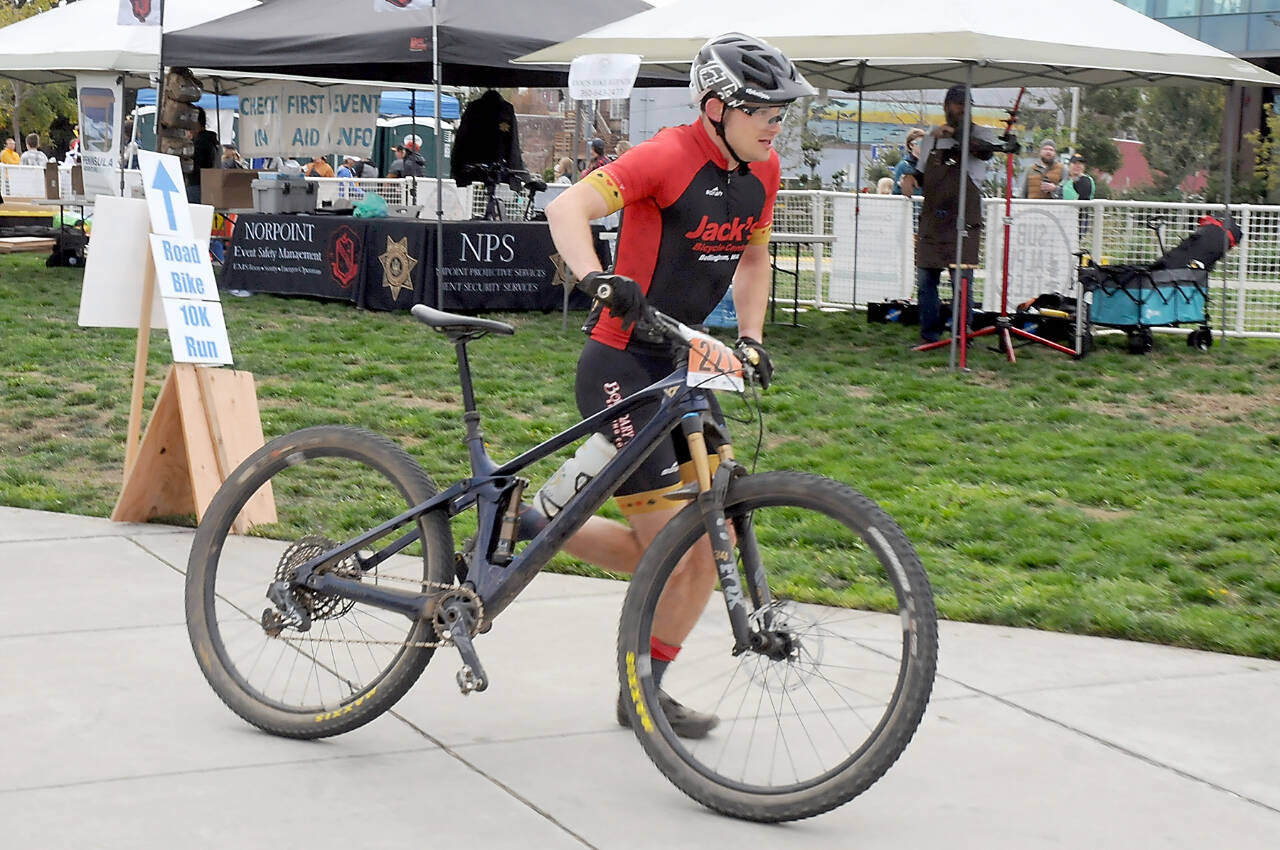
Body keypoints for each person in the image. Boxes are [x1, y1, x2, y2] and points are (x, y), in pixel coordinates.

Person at [544, 32, 814, 738]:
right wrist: (595, 280)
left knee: (708, 539)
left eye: (782, 114)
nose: (776, 126)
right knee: (672, 547)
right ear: (719, 106)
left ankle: (642, 691)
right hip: (622, 365)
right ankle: (535, 523)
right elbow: (565, 209)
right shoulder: (667, 155)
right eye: (767, 112)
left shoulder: (764, 171)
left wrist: (751, 337)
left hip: (684, 363)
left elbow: (753, 260)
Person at [902, 84, 997, 344]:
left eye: (967, 105)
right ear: (946, 107)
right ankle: (929, 334)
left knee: (961, 282)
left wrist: (956, 134)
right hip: (933, 218)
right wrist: (910, 179)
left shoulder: (980, 133)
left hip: (964, 218)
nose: (963, 110)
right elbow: (922, 173)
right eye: (958, 105)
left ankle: (960, 334)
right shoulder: (931, 137)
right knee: (925, 280)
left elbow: (985, 151)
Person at [1056, 153, 1095, 241]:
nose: (1077, 166)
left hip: (1079, 220)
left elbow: (1083, 198)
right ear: (1069, 165)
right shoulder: (1065, 182)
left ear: (1083, 167)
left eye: (1080, 164)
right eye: (1075, 163)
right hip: (1063, 219)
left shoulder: (1086, 180)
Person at [892, 127, 925, 195]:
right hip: (911, 204)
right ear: (911, 145)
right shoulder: (904, 166)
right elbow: (896, 192)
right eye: (920, 143)